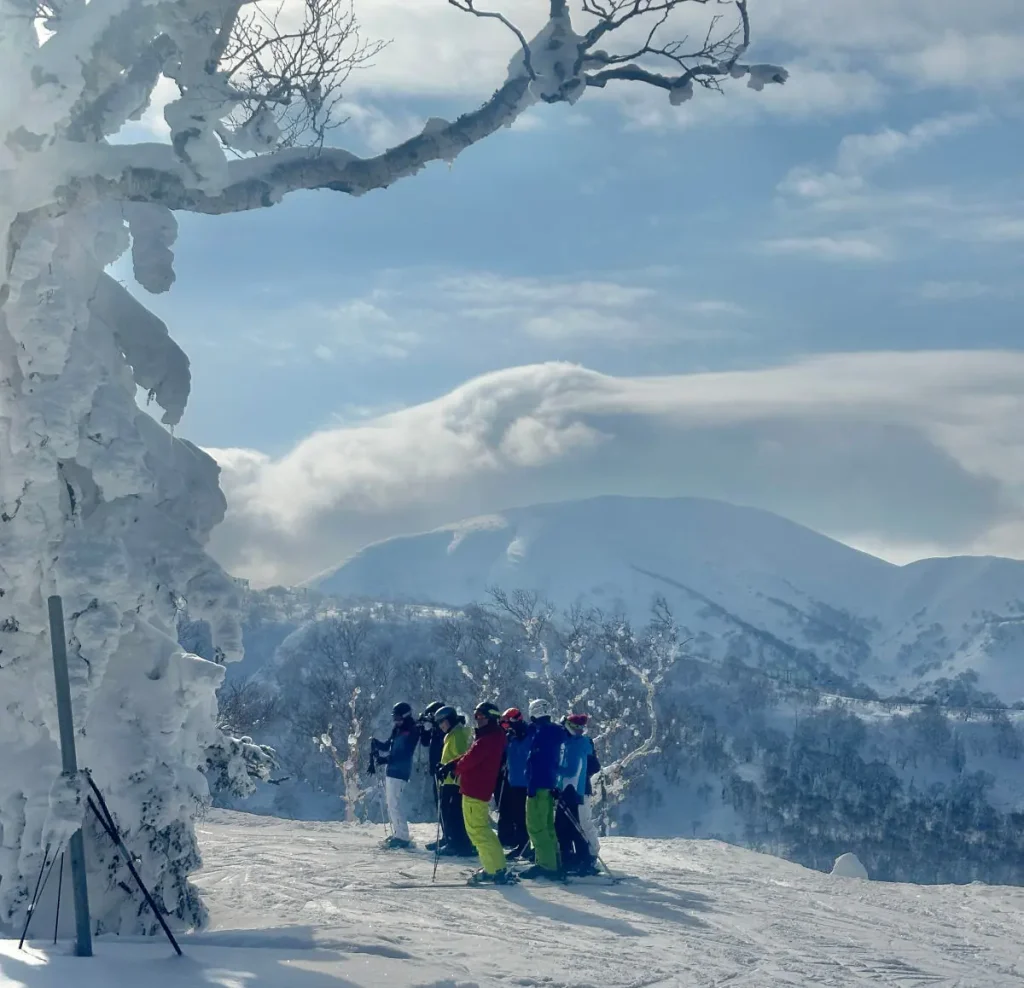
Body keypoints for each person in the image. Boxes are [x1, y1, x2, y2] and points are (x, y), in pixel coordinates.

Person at [439, 701, 513, 885]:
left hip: (476, 789)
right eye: (476, 716)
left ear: (491, 718)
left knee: (479, 830)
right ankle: (493, 866)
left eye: (481, 716)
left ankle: (497, 868)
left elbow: (471, 759)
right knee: (477, 830)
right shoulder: (489, 737)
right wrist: (451, 764)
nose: (477, 720)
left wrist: (453, 768)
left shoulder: (489, 739)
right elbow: (470, 755)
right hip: (476, 787)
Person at [518, 698, 566, 879]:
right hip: (548, 784)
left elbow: (536, 763)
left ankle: (546, 866)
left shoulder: (542, 735)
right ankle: (553, 861)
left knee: (536, 827)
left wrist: (531, 785)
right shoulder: (553, 732)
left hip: (537, 786)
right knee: (547, 826)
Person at [370, 702, 418, 849]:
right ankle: (398, 833)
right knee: (391, 804)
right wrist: (376, 744)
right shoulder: (398, 729)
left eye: (397, 717)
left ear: (405, 716)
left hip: (400, 771)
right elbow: (388, 746)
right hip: (392, 770)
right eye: (394, 717)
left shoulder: (411, 731)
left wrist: (386, 759)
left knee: (395, 804)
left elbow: (404, 754)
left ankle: (402, 836)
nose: (395, 721)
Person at [556, 713, 598, 875]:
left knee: (580, 824)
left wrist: (555, 770)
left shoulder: (578, 744)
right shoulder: (571, 743)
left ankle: (586, 858)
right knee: (569, 825)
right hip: (571, 789)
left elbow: (574, 769)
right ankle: (575, 858)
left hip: (577, 790)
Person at [431, 705, 474, 856]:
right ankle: (455, 842)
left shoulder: (458, 735)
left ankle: (458, 844)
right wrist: (442, 766)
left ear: (450, 720)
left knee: (453, 814)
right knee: (450, 813)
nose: (441, 726)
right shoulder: (453, 734)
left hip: (455, 782)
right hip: (449, 780)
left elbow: (461, 757)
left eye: (442, 722)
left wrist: (448, 768)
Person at [496, 707, 530, 860]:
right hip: (512, 781)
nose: (505, 727)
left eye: (506, 723)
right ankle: (520, 843)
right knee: (516, 815)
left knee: (523, 816)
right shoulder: (511, 737)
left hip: (525, 782)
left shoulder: (527, 735)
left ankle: (525, 846)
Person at [418, 700, 447, 807]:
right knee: (438, 799)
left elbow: (442, 740)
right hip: (435, 768)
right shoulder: (434, 729)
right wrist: (424, 729)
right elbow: (425, 742)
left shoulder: (445, 729)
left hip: (445, 769)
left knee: (443, 800)